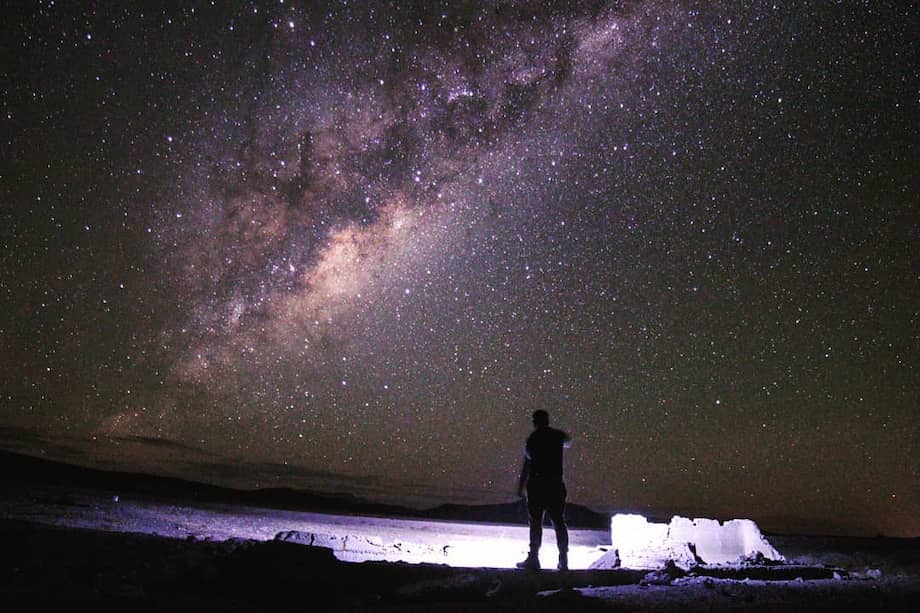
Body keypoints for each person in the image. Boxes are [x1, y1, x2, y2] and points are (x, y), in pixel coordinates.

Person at [516, 409, 572, 570]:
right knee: (559, 521)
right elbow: (568, 441)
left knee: (535, 523)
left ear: (535, 422)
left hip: (537, 485)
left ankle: (534, 558)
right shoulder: (557, 436)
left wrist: (520, 486)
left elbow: (527, 464)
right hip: (555, 485)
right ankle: (563, 560)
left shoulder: (533, 439)